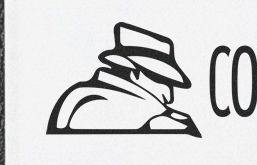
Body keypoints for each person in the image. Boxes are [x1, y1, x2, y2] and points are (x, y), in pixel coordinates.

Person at [47, 23, 200, 136]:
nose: (170, 96)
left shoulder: (86, 95)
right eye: (163, 81)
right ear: (136, 73)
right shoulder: (99, 103)